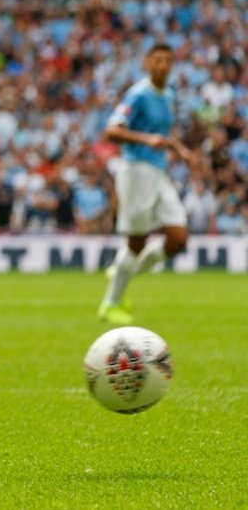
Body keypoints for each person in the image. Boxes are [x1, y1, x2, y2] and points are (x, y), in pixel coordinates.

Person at [99, 44, 193, 325]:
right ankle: (110, 303)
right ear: (147, 63)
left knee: (178, 238)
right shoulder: (138, 94)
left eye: (167, 60)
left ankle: (121, 270)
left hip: (158, 172)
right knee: (137, 242)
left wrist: (179, 148)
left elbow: (160, 134)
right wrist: (145, 140)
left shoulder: (168, 94)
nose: (162, 65)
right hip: (137, 170)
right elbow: (111, 130)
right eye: (157, 60)